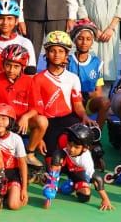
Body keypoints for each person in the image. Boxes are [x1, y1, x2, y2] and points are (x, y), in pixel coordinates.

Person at [25, 31, 88, 159]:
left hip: (69, 119)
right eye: (53, 51)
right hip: (48, 122)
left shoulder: (73, 78)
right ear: (46, 53)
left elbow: (78, 105)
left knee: (82, 143)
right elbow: (36, 109)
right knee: (53, 161)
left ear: (66, 54)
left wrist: (85, 117)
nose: (57, 55)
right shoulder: (37, 79)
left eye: (61, 51)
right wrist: (39, 138)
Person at [42, 120, 113, 211]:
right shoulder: (63, 138)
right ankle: (51, 185)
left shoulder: (86, 160)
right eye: (69, 144)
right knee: (57, 155)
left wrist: (105, 199)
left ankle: (71, 185)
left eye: (76, 147)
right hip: (63, 164)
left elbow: (97, 179)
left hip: (76, 170)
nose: (71, 149)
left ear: (85, 148)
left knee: (84, 196)